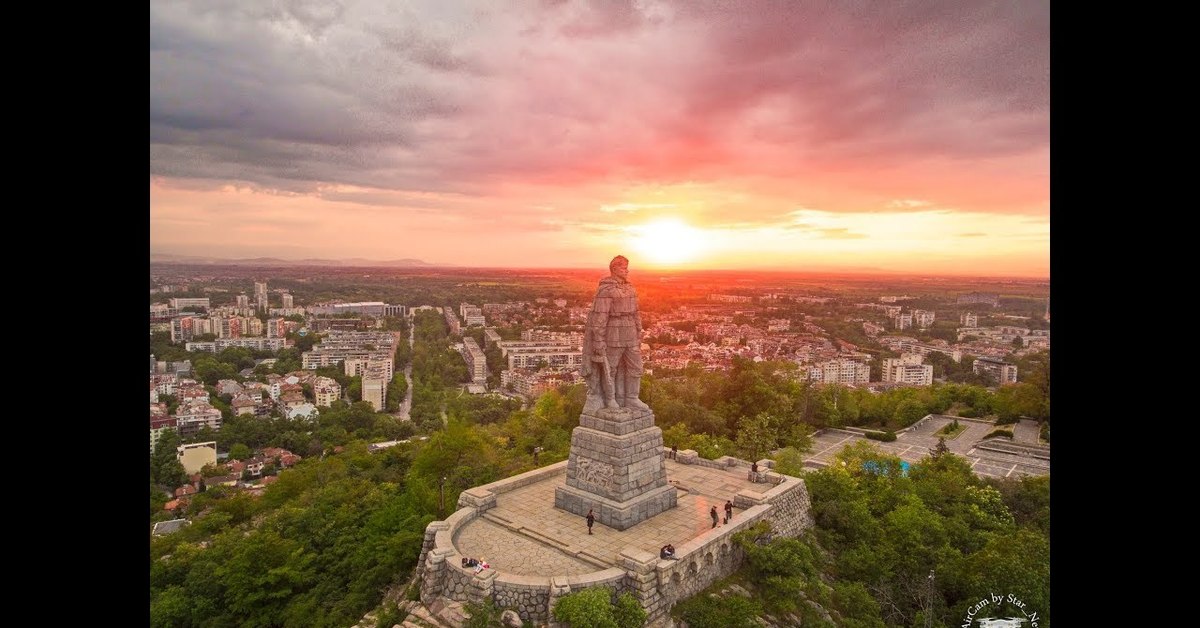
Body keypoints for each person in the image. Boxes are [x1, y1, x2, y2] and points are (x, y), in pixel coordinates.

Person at [581, 255, 649, 412]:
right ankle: (610, 399)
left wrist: (639, 330)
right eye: (624, 268)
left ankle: (632, 398)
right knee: (610, 368)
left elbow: (636, 312)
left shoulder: (630, 288)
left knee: (636, 366)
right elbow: (600, 315)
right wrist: (598, 340)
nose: (627, 271)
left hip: (630, 331)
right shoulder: (606, 290)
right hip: (613, 331)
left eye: (627, 268)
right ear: (614, 269)